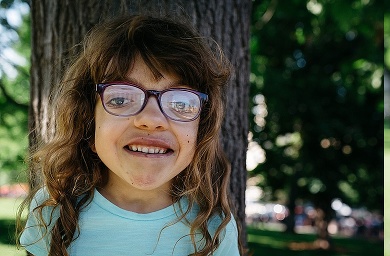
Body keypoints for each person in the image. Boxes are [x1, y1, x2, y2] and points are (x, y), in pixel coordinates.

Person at [17, 15, 240, 255]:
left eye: (181, 103)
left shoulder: (214, 228)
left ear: (200, 131)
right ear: (88, 126)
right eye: (121, 99)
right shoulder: (52, 211)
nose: (151, 120)